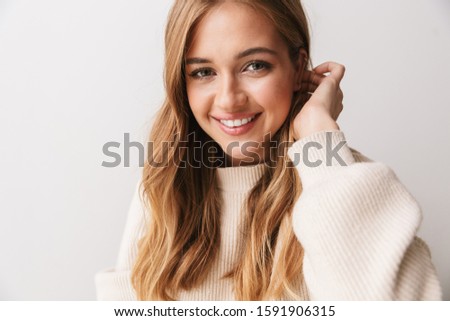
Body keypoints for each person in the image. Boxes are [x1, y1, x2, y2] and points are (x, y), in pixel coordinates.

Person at [95, 0, 442, 300]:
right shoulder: (162, 188)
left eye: (255, 65)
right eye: (203, 72)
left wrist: (318, 138)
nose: (229, 98)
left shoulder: (340, 184)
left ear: (297, 67)